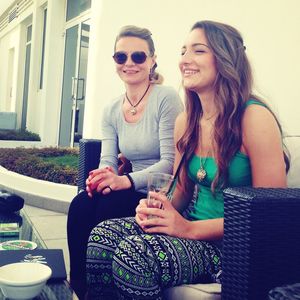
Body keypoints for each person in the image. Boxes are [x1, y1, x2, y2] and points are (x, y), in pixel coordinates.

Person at [85, 20, 289, 299]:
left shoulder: (254, 118)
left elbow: (270, 214)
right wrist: (160, 208)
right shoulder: (187, 122)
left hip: (232, 248)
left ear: (226, 59)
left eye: (198, 51)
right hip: (190, 230)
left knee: (135, 254)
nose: (185, 60)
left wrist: (188, 228)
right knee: (102, 237)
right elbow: (181, 191)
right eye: (183, 51)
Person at [67, 25, 183, 298]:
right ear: (115, 62)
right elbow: (108, 158)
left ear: (153, 60)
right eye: (121, 57)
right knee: (81, 204)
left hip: (157, 192)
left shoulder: (166, 98)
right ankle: (81, 288)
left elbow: (170, 162)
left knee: (105, 208)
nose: (129, 63)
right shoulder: (111, 109)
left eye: (138, 57)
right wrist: (100, 177)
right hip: (125, 185)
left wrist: (123, 180)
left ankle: (104, 291)